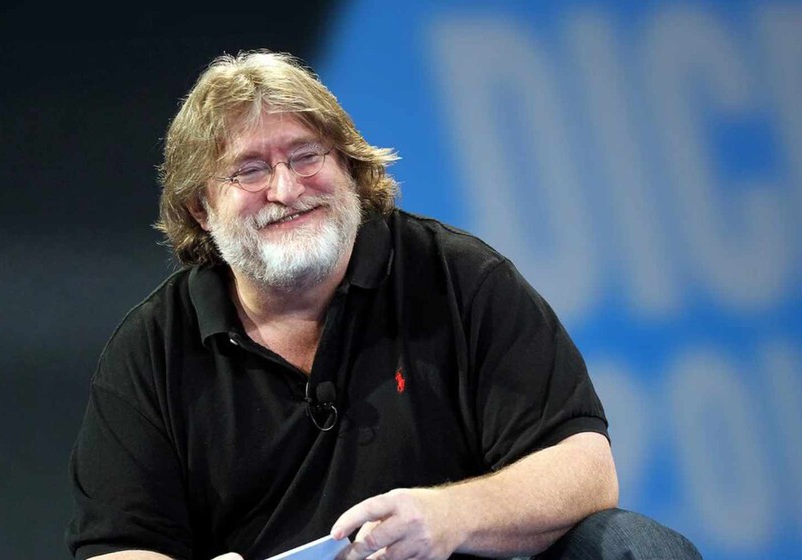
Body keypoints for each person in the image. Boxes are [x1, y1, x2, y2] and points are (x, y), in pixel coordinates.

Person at [65, 50, 701, 560]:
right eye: (249, 170)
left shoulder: (458, 277)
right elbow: (120, 544)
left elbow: (584, 466)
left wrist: (447, 516)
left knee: (633, 546)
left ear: (348, 167)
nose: (286, 189)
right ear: (201, 209)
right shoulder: (151, 350)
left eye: (306, 156)